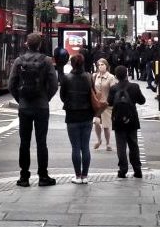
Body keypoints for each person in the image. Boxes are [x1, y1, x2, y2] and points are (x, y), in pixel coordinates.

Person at [7, 32, 58, 187]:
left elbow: (11, 84)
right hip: (41, 106)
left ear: (26, 44)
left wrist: (20, 99)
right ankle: (43, 176)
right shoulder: (47, 61)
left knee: (24, 142)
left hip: (25, 107)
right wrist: (46, 98)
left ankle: (24, 177)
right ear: (40, 45)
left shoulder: (18, 61)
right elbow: (54, 85)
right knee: (41, 142)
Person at [59, 52, 95, 184]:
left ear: (72, 64)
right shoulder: (89, 77)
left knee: (75, 147)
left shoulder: (67, 78)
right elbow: (93, 95)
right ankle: (85, 176)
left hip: (72, 115)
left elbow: (62, 96)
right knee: (85, 147)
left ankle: (77, 175)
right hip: (87, 115)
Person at [108, 64, 146, 178]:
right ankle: (137, 169)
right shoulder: (134, 87)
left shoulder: (114, 88)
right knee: (133, 144)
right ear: (127, 74)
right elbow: (142, 101)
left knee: (121, 146)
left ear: (116, 76)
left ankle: (123, 169)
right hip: (132, 118)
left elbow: (109, 102)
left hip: (118, 119)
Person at [91, 58, 117, 151]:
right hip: (97, 104)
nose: (100, 66)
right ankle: (99, 140)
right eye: (99, 65)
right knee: (96, 122)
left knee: (106, 126)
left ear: (106, 66)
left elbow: (114, 91)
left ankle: (108, 143)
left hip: (106, 104)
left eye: (102, 65)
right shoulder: (94, 76)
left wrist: (111, 102)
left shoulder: (111, 77)